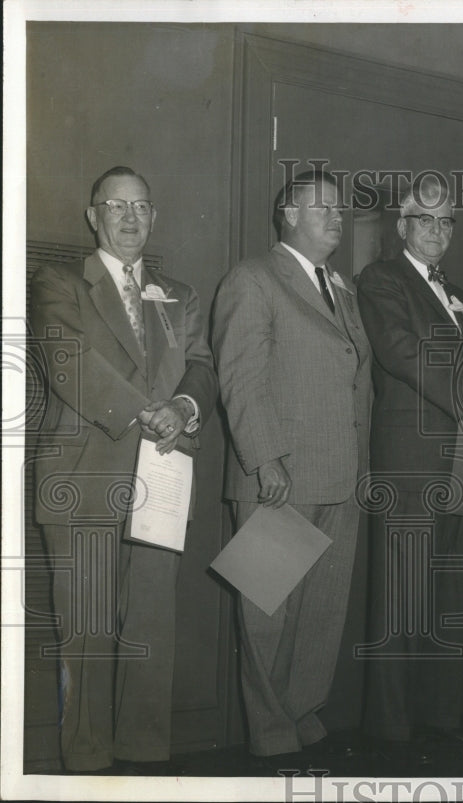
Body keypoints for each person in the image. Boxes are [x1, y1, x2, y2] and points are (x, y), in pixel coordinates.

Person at [29, 165, 217, 772]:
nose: (130, 217)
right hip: (83, 478)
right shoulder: (59, 281)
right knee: (85, 632)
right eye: (116, 206)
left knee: (151, 626)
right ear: (94, 217)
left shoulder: (179, 294)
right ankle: (85, 765)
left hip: (160, 475)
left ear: (154, 216)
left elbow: (201, 365)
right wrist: (149, 412)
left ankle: (143, 759)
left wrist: (183, 407)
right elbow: (67, 360)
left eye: (141, 206)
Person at [212, 168, 372, 760]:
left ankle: (301, 712)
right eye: (322, 207)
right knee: (267, 608)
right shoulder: (253, 279)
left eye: (340, 209)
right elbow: (240, 377)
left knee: (321, 610)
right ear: (287, 213)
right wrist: (264, 460)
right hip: (278, 475)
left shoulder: (343, 286)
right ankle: (270, 730)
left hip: (339, 473)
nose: (336, 217)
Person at [357, 176, 463, 753]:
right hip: (410, 460)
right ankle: (391, 730)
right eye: (426, 220)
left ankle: (441, 717)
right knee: (400, 595)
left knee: (450, 592)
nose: (438, 232)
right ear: (403, 227)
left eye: (447, 222)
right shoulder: (382, 280)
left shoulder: (459, 291)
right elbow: (399, 350)